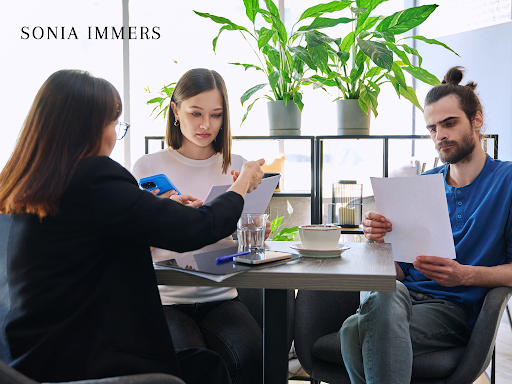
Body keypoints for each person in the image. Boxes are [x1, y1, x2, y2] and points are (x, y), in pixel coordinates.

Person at [0, 69, 265, 383]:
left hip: (32, 361)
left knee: (206, 364)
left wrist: (160, 209)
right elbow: (196, 229)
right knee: (203, 368)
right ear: (86, 126)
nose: (114, 134)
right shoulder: (94, 175)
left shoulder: (25, 183)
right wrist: (242, 185)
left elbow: (103, 230)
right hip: (87, 359)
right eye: (113, 124)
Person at [339, 66, 512, 384]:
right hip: (402, 297)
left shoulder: (508, 181)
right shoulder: (422, 184)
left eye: (449, 124)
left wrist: (465, 275)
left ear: (476, 120)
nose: (440, 136)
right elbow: (399, 272)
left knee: (353, 331)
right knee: (384, 295)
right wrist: (376, 242)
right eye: (432, 128)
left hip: (454, 308)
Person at [133, 68, 264, 384]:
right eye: (196, 113)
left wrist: (253, 230)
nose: (206, 125)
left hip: (219, 294)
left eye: (216, 115)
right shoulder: (148, 167)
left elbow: (241, 242)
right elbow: (137, 244)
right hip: (166, 299)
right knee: (192, 364)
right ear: (176, 111)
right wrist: (168, 218)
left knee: (250, 353)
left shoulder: (236, 165)